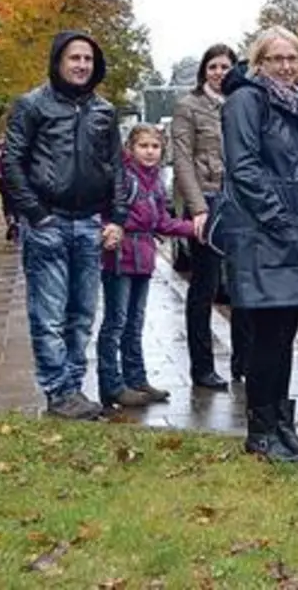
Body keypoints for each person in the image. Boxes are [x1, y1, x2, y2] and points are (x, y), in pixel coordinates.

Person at [2, 30, 129, 421]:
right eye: (74, 57)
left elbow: (117, 167)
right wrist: (36, 214)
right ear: (58, 61)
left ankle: (73, 387)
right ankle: (58, 391)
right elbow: (12, 163)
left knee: (83, 314)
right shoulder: (32, 106)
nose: (82, 65)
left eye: (88, 59)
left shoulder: (104, 111)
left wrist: (117, 218)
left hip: (89, 223)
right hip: (48, 222)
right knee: (49, 315)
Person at [220, 26, 298, 463]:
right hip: (261, 233)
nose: (285, 66)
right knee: (265, 335)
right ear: (258, 62)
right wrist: (279, 218)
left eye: (292, 58)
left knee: (284, 334)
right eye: (276, 58)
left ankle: (282, 425)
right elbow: (243, 166)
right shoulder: (246, 100)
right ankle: (261, 431)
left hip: (293, 231)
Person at [97, 124, 197, 410]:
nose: (150, 152)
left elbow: (161, 221)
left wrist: (194, 228)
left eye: (155, 146)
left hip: (143, 258)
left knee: (135, 322)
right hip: (120, 256)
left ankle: (136, 379)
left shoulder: (155, 181)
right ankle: (111, 385)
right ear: (130, 148)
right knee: (116, 322)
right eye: (144, 146)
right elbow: (105, 213)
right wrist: (109, 231)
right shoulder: (123, 178)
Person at [170, 43, 245, 391]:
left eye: (225, 66)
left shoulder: (241, 103)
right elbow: (182, 160)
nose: (219, 73)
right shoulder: (188, 106)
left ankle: (243, 362)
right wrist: (197, 207)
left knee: (243, 284)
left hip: (239, 202)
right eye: (213, 66)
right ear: (204, 70)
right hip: (207, 201)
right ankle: (202, 367)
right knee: (206, 285)